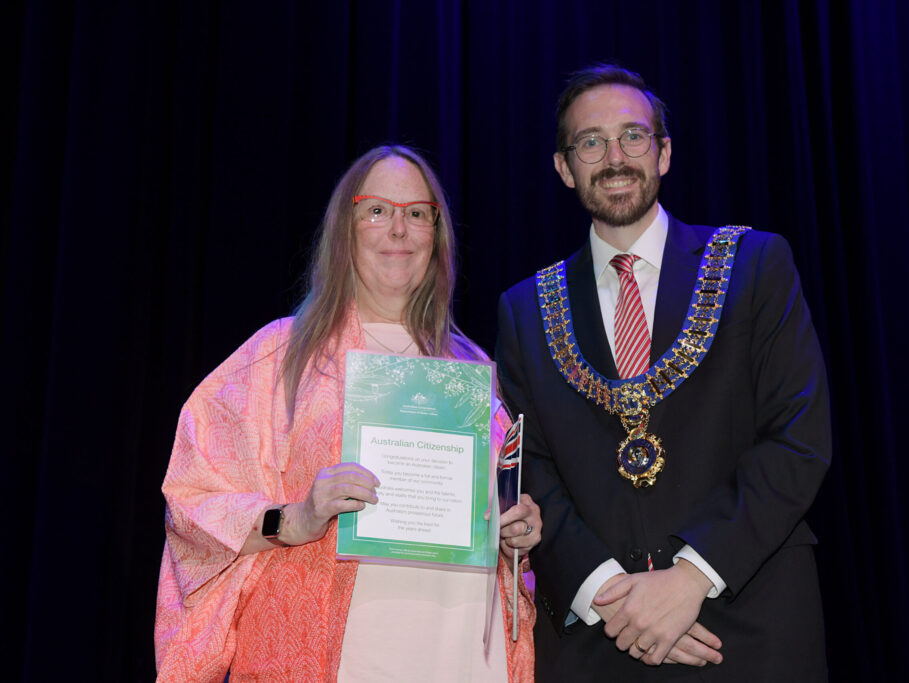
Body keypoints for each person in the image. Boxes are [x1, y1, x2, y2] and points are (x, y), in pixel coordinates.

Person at [495, 65, 830, 681]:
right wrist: (616, 601)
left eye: (633, 136)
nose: (614, 157)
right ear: (564, 168)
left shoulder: (755, 264)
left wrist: (690, 578)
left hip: (748, 626)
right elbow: (528, 470)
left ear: (664, 153)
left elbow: (798, 438)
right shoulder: (525, 309)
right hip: (601, 640)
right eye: (590, 142)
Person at [156, 145, 540, 682]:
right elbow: (192, 501)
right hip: (336, 654)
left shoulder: (473, 369)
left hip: (463, 651)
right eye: (377, 210)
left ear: (436, 235)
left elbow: (492, 512)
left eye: (417, 213)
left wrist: (513, 529)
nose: (399, 229)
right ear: (344, 229)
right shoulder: (280, 356)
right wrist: (296, 518)